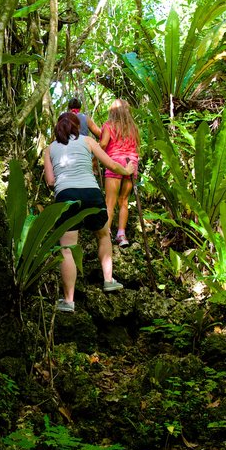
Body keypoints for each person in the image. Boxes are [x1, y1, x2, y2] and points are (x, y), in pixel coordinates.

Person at [43, 112, 136, 312]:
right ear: (77, 126)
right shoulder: (87, 140)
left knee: (67, 248)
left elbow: (50, 181)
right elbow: (110, 164)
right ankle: (109, 280)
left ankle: (68, 301)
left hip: (66, 196)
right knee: (103, 235)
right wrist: (127, 171)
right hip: (92, 193)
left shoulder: (49, 149)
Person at [99, 98, 141, 248]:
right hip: (131, 163)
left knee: (110, 202)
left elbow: (103, 144)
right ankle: (121, 235)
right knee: (123, 201)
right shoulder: (133, 128)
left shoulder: (109, 125)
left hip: (115, 163)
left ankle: (106, 234)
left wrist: (94, 159)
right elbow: (137, 147)